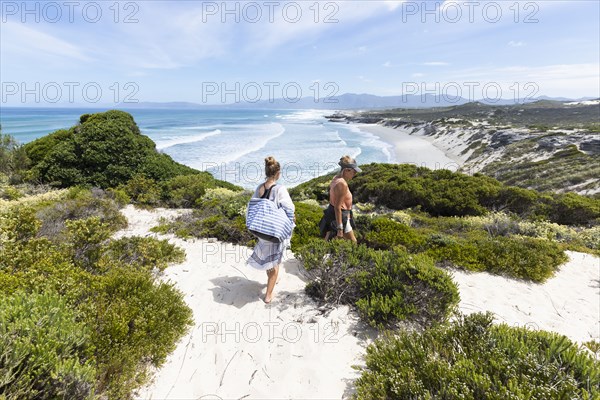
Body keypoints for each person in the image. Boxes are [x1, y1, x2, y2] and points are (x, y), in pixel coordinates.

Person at [247, 156, 295, 304]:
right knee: (275, 261)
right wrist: (291, 223)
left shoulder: (259, 188)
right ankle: (268, 295)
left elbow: (253, 206)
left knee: (268, 257)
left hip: (262, 229)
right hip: (274, 230)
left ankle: (271, 280)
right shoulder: (280, 189)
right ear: (278, 173)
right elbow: (290, 208)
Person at [323, 155, 361, 243]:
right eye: (353, 171)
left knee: (329, 241)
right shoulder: (342, 184)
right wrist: (340, 228)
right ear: (346, 170)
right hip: (340, 216)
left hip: (333, 214)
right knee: (353, 243)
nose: (355, 173)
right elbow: (337, 207)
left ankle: (321, 254)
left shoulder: (336, 178)